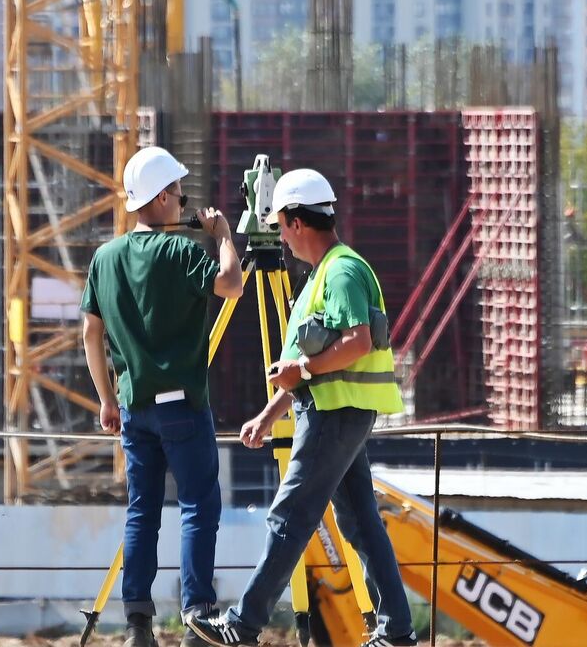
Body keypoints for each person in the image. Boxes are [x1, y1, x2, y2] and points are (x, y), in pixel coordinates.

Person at [187, 169, 416, 647]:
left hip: (336, 415)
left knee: (289, 515)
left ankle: (243, 624)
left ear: (294, 222)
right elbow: (309, 365)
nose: (281, 238)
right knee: (358, 522)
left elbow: (354, 343)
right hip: (335, 410)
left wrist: (304, 374)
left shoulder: (342, 271)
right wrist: (270, 413)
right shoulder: (322, 275)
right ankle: (396, 630)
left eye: (281, 225)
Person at [82, 146, 242, 647]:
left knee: (142, 510)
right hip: (183, 407)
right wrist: (223, 236)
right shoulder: (182, 252)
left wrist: (107, 399)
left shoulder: (104, 259)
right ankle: (197, 616)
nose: (180, 200)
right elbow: (232, 284)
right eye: (178, 191)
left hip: (133, 408)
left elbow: (90, 333)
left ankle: (137, 624)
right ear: (163, 196)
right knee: (198, 506)